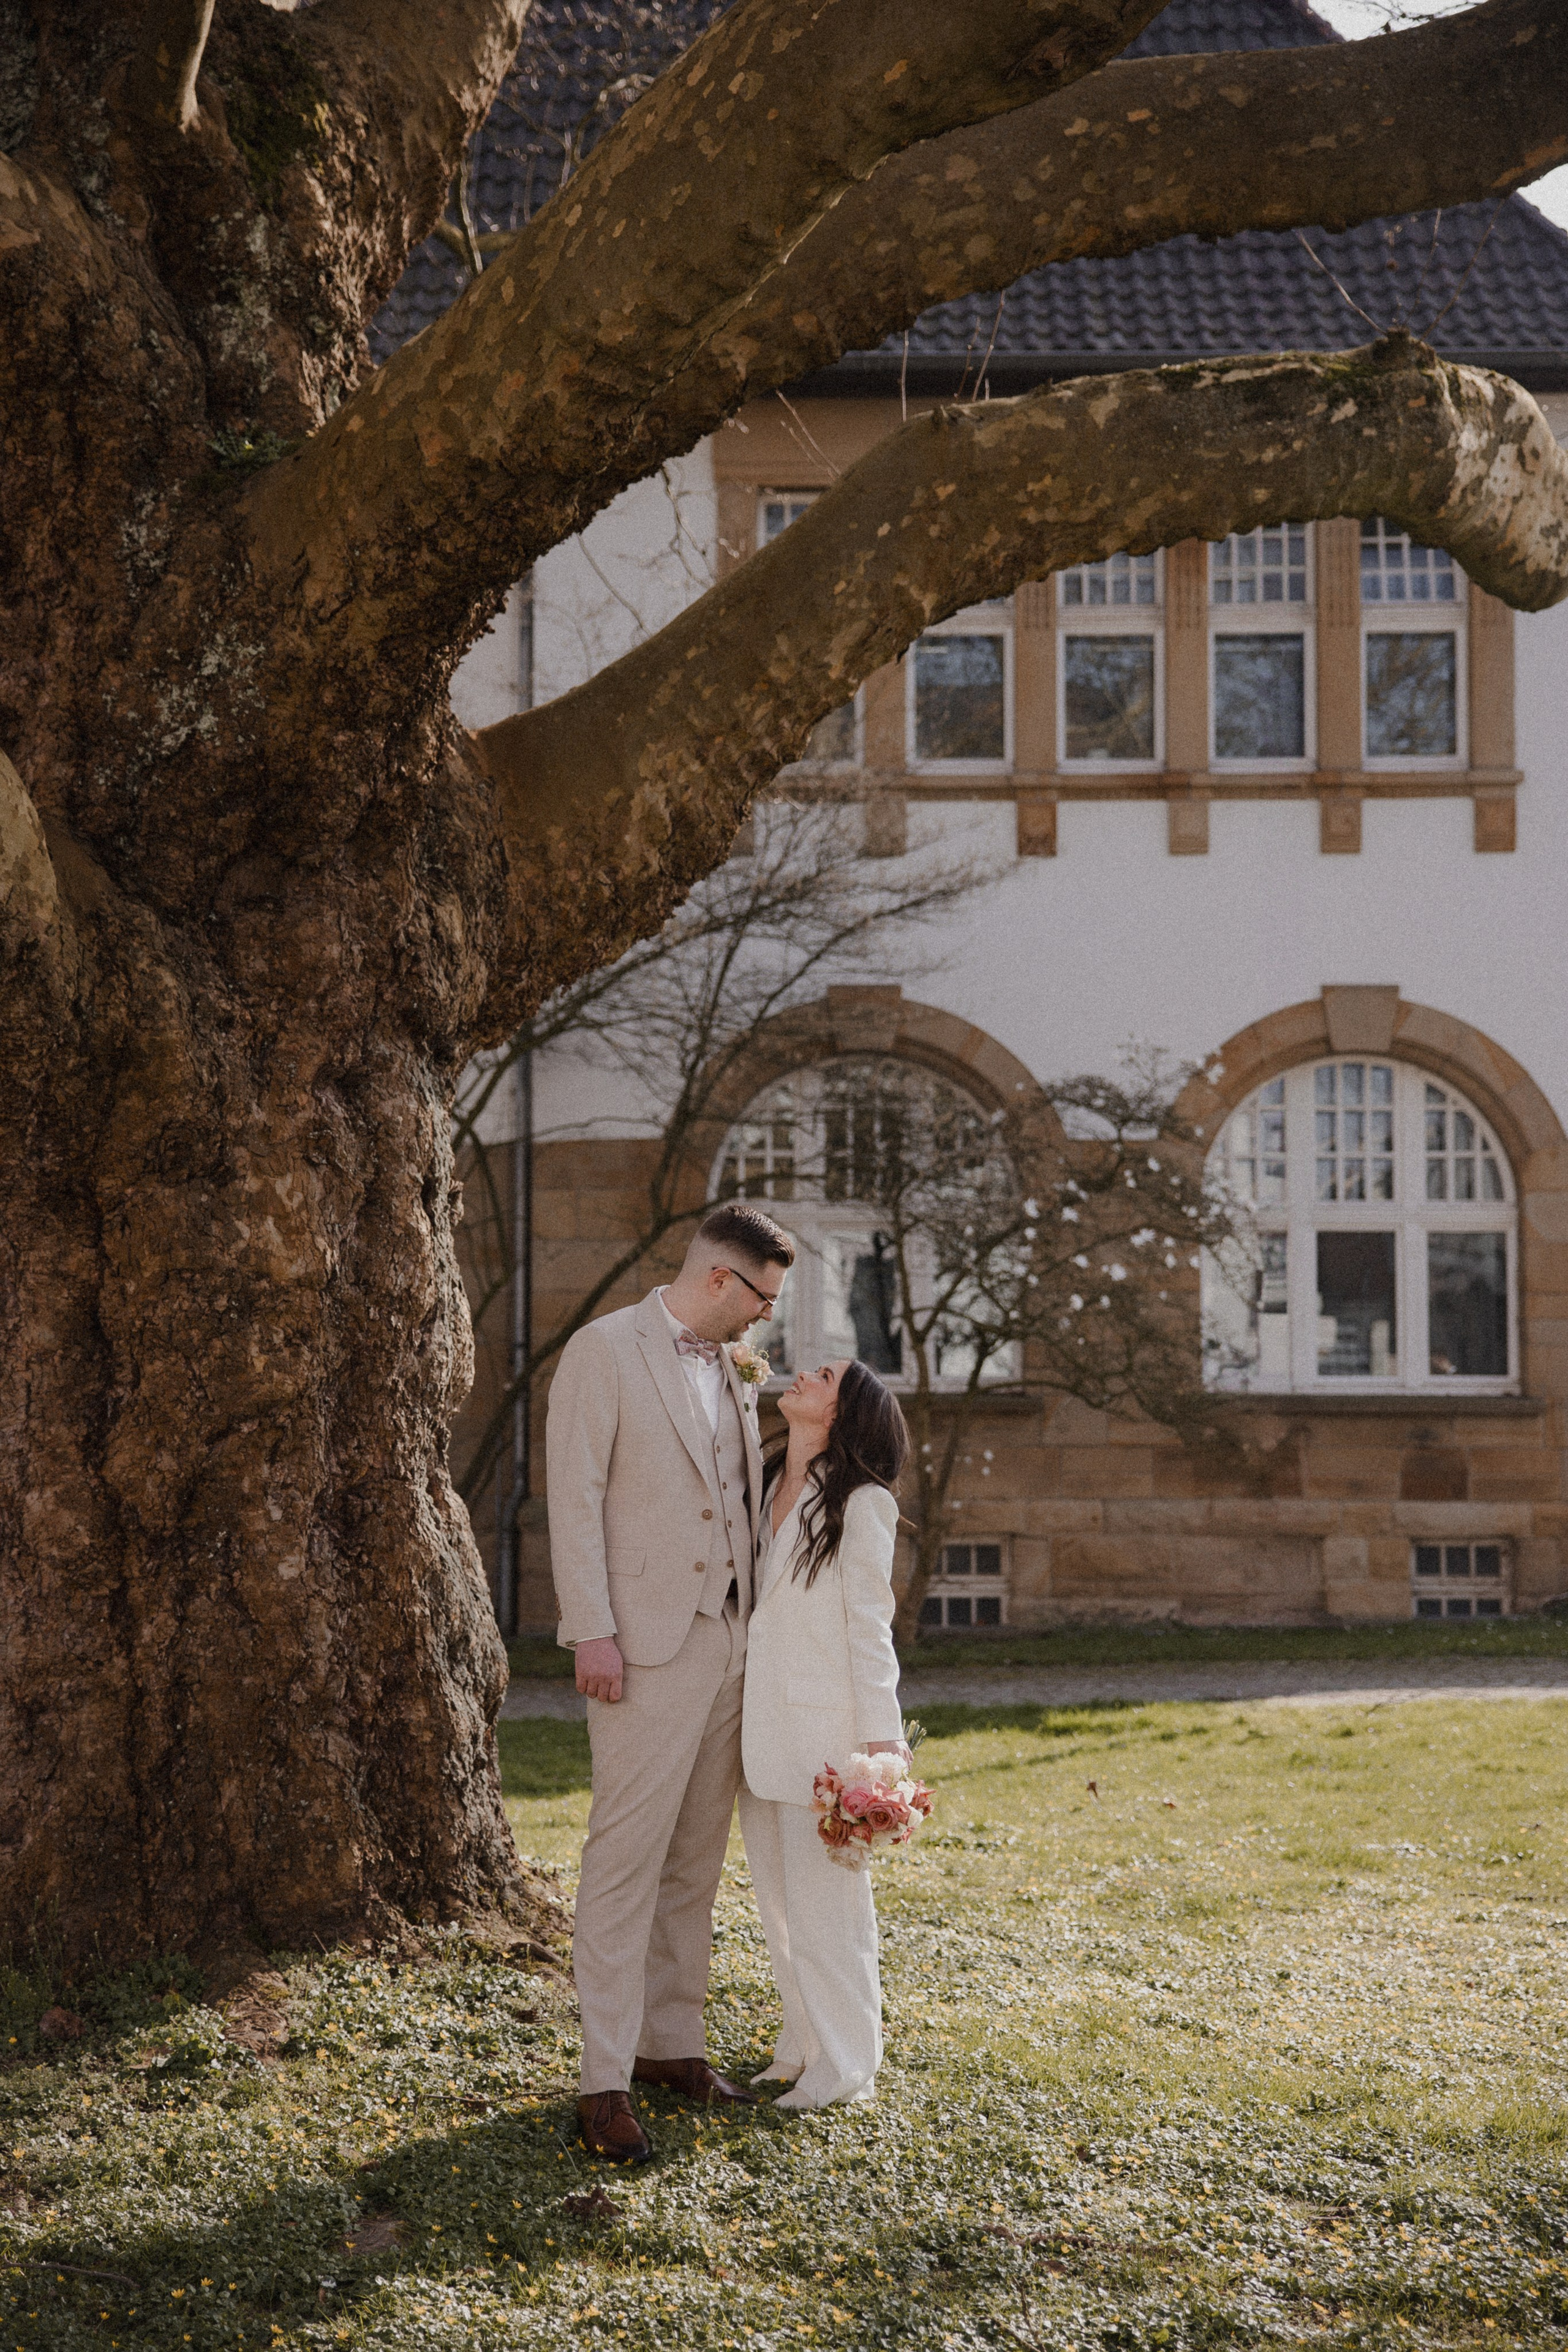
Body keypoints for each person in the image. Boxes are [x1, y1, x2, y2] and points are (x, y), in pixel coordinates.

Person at [547, 1202, 795, 2163]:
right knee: (625, 1863)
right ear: (722, 1279)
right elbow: (573, 1497)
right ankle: (603, 2079)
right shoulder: (603, 1352)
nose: (764, 1322)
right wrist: (593, 1633)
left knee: (695, 1860)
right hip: (641, 1648)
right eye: (762, 1299)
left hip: (730, 1640)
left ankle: (670, 2046)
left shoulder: (731, 1367)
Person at [738, 1355, 911, 2111]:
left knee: (829, 1917)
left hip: (827, 1741)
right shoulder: (766, 1479)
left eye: (826, 1375)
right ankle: (801, 2049)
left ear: (845, 1413)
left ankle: (845, 2069)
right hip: (759, 1731)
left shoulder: (863, 1503)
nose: (804, 1374)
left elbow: (869, 1628)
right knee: (779, 1910)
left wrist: (881, 1746)